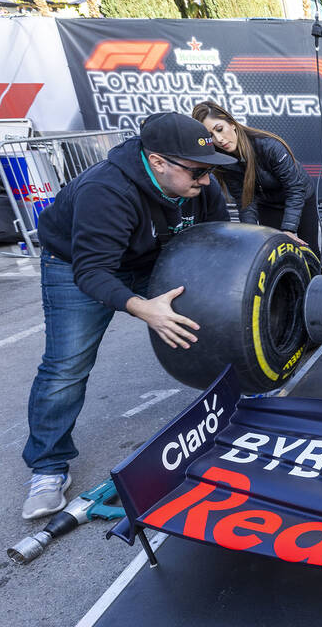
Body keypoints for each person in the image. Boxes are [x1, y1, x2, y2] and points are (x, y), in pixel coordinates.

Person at [21, 112, 232, 520]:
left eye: (211, 170)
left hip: (152, 254)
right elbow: (92, 272)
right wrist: (144, 308)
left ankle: (234, 415)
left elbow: (218, 241)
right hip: (78, 263)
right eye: (199, 171)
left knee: (216, 322)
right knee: (67, 365)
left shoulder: (197, 181)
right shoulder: (106, 190)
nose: (207, 181)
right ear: (157, 162)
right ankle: (47, 468)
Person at [192, 101, 322, 260]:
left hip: (299, 196)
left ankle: (319, 282)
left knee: (309, 252)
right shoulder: (223, 161)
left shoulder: (269, 146)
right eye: (210, 135)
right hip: (267, 204)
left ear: (232, 124)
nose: (219, 139)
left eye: (219, 129)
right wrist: (251, 235)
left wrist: (289, 229)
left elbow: (295, 189)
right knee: (277, 253)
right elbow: (245, 201)